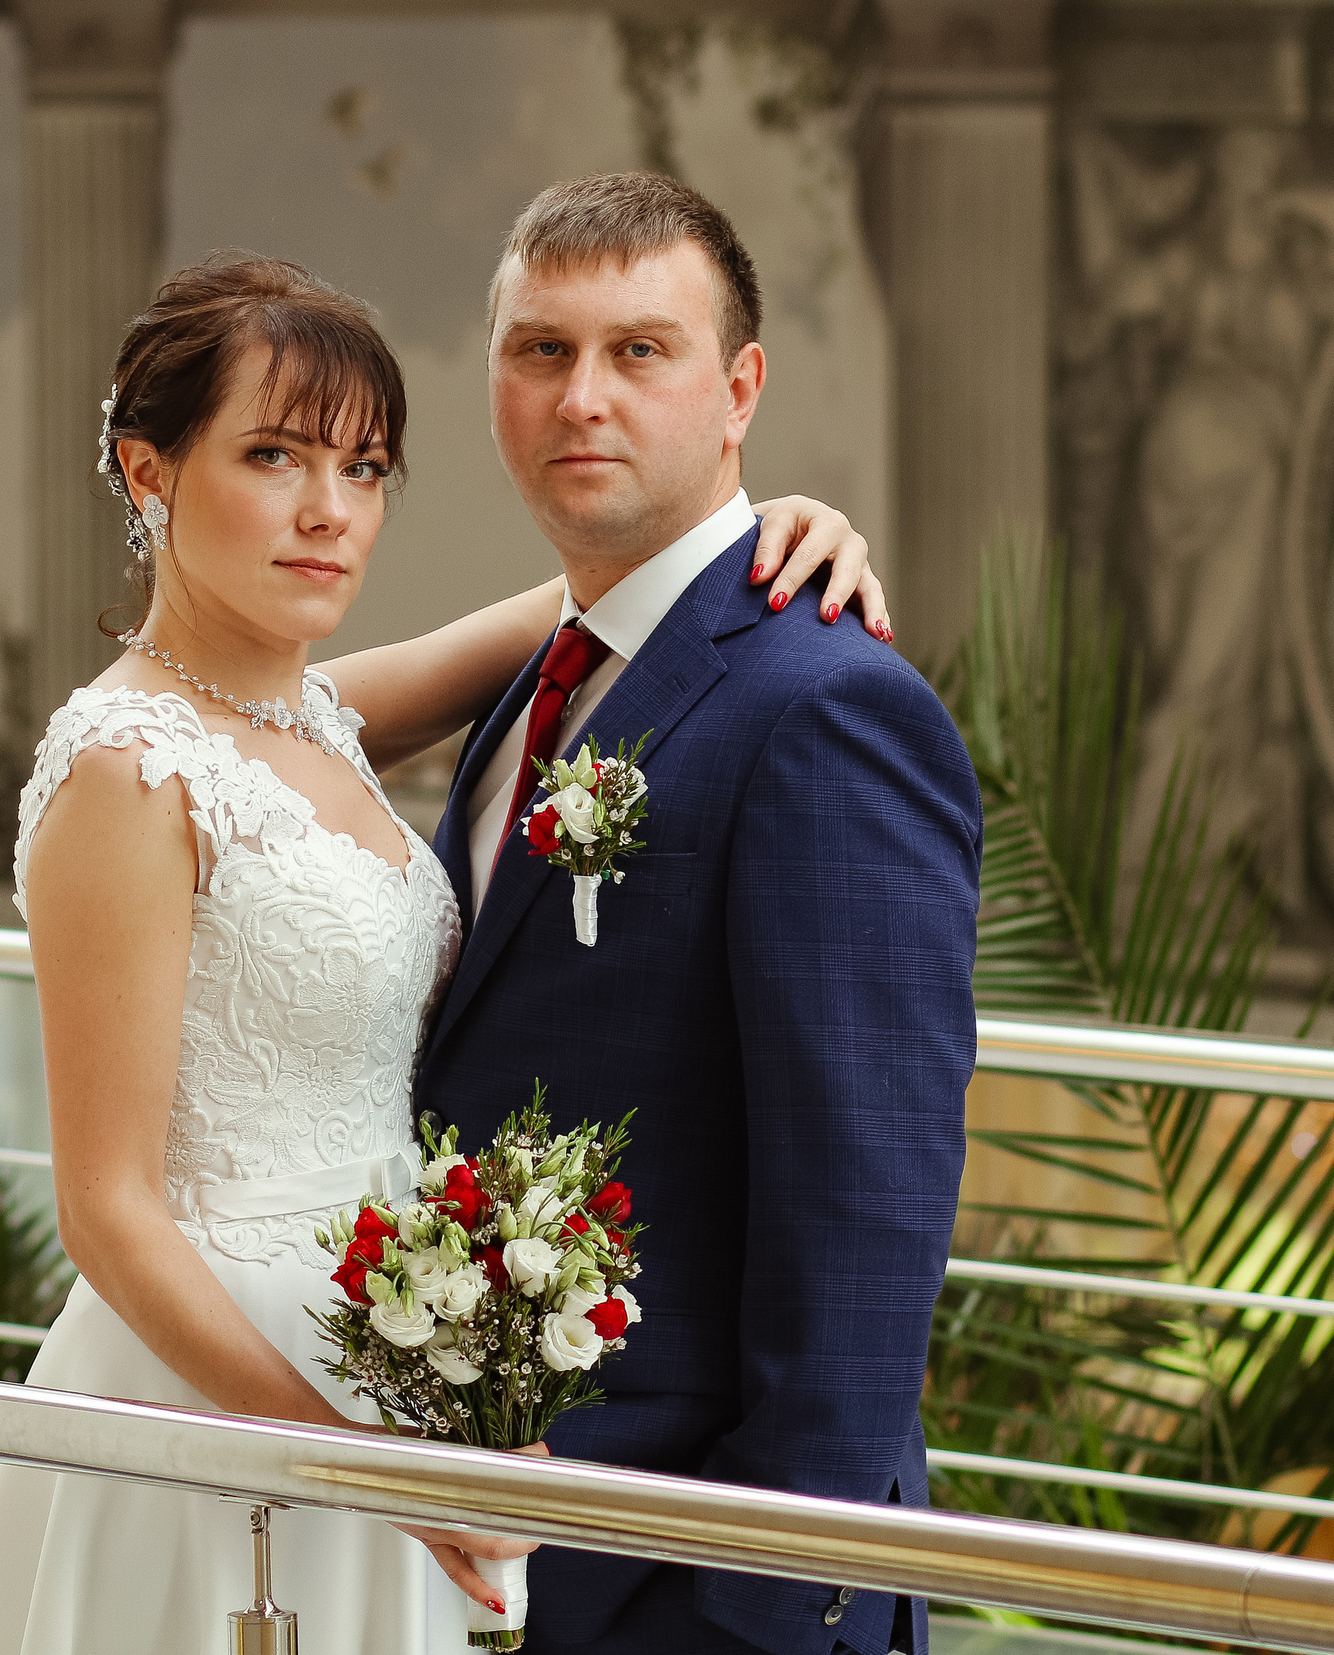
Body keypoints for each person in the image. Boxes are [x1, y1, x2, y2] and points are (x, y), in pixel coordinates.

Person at [0, 252, 891, 1655]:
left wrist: (770, 526)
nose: (331, 513)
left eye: (367, 468)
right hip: (226, 1389)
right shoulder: (129, 772)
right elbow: (110, 1210)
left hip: (402, 1349)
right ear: (149, 474)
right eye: (273, 457)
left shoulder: (310, 717)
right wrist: (347, 1455)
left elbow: (614, 597)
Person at [416, 173, 981, 1654]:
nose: (581, 396)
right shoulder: (546, 679)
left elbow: (866, 1208)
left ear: (737, 392)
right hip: (506, 1542)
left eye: (638, 352)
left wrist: (777, 1605)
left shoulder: (828, 704)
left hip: (703, 1579)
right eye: (541, 351)